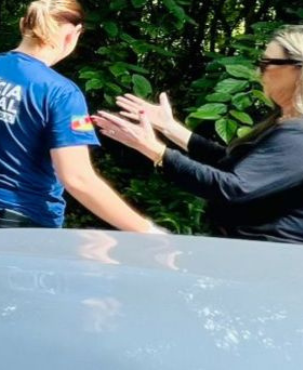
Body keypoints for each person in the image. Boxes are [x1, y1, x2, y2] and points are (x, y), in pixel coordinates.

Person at [0, 0, 163, 233]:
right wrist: (147, 231)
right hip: (14, 218)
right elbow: (77, 178)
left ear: (23, 24)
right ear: (73, 34)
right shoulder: (62, 93)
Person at [93, 27, 303, 243]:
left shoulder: (297, 135)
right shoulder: (284, 122)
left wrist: (154, 150)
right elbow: (229, 162)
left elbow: (232, 188)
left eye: (268, 63)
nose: (259, 70)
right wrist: (169, 128)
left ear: (298, 70)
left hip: (271, 261)